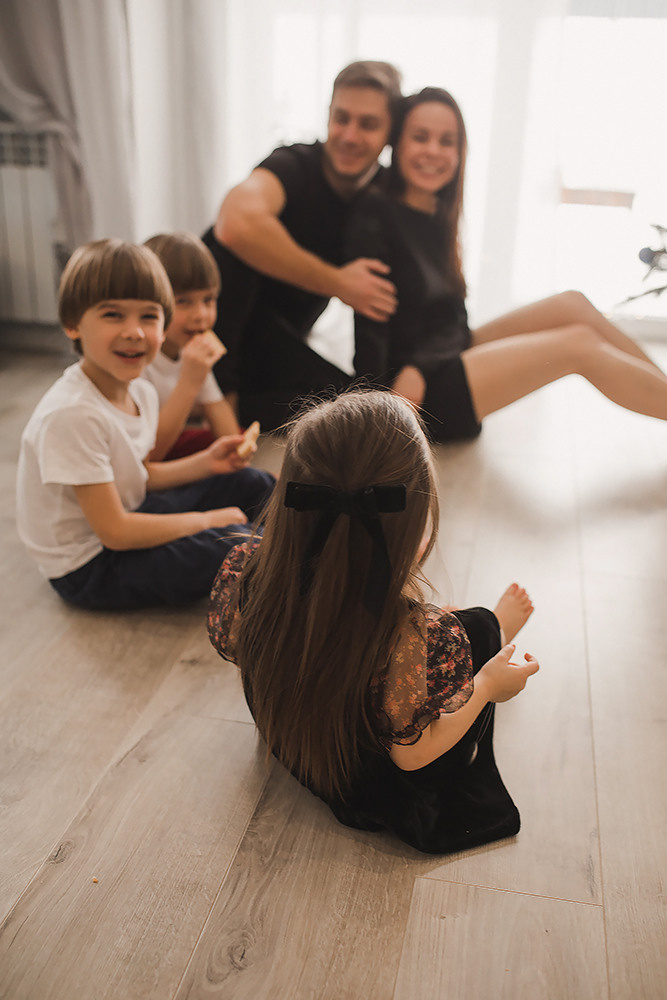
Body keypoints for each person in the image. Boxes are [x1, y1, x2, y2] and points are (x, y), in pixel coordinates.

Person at [208, 390, 539, 855]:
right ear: (414, 534)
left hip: (295, 740)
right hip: (355, 779)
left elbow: (247, 653)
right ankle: (494, 628)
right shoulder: (413, 636)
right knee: (474, 633)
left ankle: (479, 630)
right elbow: (412, 755)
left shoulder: (246, 568)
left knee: (437, 635)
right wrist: (487, 687)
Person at [350, 87, 667, 441]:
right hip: (414, 394)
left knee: (572, 304)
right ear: (397, 143)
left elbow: (453, 318)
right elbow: (370, 335)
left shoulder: (436, 210)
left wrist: (422, 364)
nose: (433, 151)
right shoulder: (375, 215)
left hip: (436, 358)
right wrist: (377, 411)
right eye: (420, 137)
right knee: (578, 344)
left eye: (447, 141)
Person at [16, 239, 275, 611]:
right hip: (91, 567)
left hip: (129, 517)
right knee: (243, 547)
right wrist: (206, 521)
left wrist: (206, 464)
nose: (135, 332)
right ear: (73, 323)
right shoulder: (72, 414)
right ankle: (304, 565)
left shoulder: (140, 390)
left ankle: (315, 537)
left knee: (251, 482)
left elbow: (137, 476)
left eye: (149, 316)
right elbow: (116, 532)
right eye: (113, 315)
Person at [202, 60, 402, 429]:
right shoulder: (294, 163)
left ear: (391, 133)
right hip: (206, 326)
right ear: (327, 116)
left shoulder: (385, 195)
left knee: (346, 408)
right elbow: (234, 224)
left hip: (270, 345)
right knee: (235, 253)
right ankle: (218, 406)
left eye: (368, 124)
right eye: (341, 118)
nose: (350, 135)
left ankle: (206, 404)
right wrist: (339, 283)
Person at [142, 232, 241, 460]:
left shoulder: (189, 351)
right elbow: (150, 454)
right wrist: (190, 380)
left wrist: (239, 454)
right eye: (183, 301)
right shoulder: (138, 359)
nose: (201, 315)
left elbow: (221, 419)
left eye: (208, 300)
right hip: (148, 456)